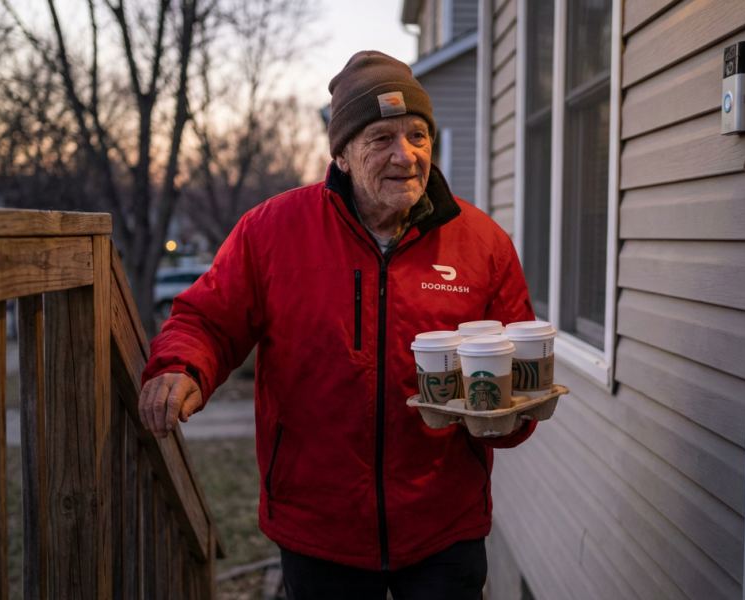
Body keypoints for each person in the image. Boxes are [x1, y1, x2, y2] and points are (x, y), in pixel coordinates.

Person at [139, 50, 537, 599]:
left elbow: (517, 359)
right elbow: (206, 318)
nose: (406, 155)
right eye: (381, 139)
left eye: (418, 136)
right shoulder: (272, 231)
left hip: (444, 522)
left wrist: (507, 416)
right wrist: (181, 366)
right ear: (342, 156)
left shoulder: (482, 243)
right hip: (319, 526)